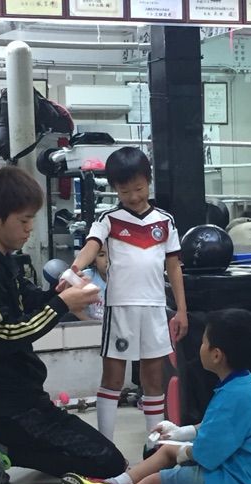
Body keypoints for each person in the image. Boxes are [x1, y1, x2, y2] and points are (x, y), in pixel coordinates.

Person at [0, 166, 127, 484]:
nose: (30, 228)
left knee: (107, 460)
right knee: (109, 463)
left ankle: (3, 441)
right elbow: (2, 335)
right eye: (24, 220)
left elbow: (28, 301)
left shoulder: (2, 258)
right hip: (7, 406)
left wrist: (59, 294)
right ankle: (1, 444)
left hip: (25, 397)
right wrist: (61, 304)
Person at [29, 308, 251, 484]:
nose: (200, 347)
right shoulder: (241, 386)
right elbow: (216, 427)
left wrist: (184, 450)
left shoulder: (235, 396)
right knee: (168, 450)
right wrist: (180, 434)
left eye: (204, 342)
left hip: (240, 477)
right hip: (241, 464)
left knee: (156, 483)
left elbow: (207, 455)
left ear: (216, 355)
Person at [66, 146, 188, 443]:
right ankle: (104, 446)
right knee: (112, 378)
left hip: (155, 309)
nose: (133, 196)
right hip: (120, 308)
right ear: (114, 189)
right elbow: (92, 246)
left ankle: (155, 446)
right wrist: (75, 269)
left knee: (153, 379)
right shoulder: (108, 219)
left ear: (149, 181)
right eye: (124, 191)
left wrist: (182, 310)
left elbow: (174, 267)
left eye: (139, 188)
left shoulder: (165, 221)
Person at [72, 246, 108, 322]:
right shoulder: (85, 278)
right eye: (102, 255)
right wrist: (90, 324)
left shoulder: (127, 279)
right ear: (94, 260)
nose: (108, 260)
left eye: (113, 254)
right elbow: (74, 309)